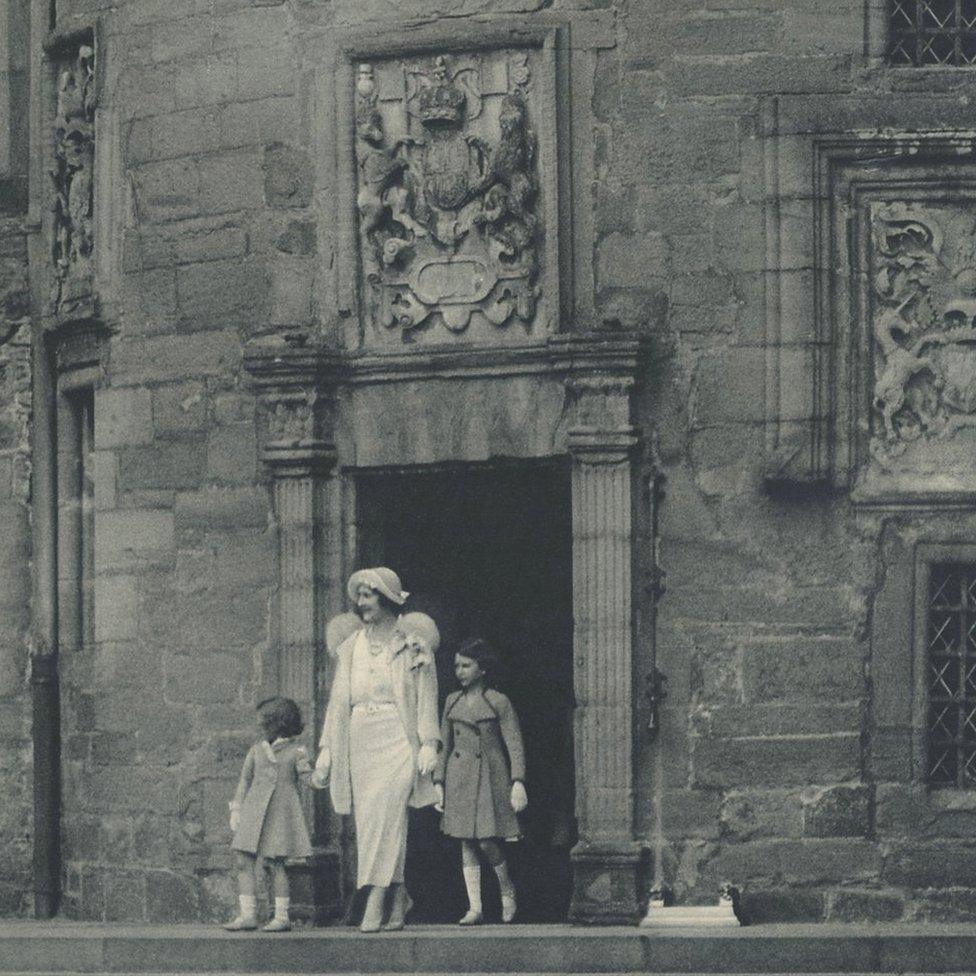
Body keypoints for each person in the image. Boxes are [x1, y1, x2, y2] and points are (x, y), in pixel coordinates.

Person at [312, 568, 440, 932]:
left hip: (398, 737)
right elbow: (338, 702)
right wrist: (327, 750)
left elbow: (426, 694)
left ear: (386, 599)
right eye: (361, 596)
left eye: (369, 596)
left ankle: (376, 898)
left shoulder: (412, 643)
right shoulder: (351, 646)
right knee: (371, 824)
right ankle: (400, 898)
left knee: (389, 814)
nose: (362, 603)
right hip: (360, 740)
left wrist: (429, 742)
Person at [434, 637, 527, 925]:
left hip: (490, 777)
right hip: (459, 776)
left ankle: (506, 890)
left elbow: (514, 744)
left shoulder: (498, 701)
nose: (459, 671)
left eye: (466, 665)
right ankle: (475, 907)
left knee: (487, 841)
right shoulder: (452, 701)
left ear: (482, 668)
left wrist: (518, 781)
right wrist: (438, 782)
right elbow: (444, 744)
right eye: (456, 666)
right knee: (465, 841)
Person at [225, 697, 313, 932]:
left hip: (280, 813)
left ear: (280, 724)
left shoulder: (297, 751)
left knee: (277, 864)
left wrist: (320, 773)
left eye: (265, 724)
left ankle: (282, 917)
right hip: (253, 811)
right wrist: (237, 808)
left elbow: (308, 780)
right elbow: (245, 780)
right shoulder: (256, 750)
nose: (260, 728)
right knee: (243, 859)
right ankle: (248, 915)